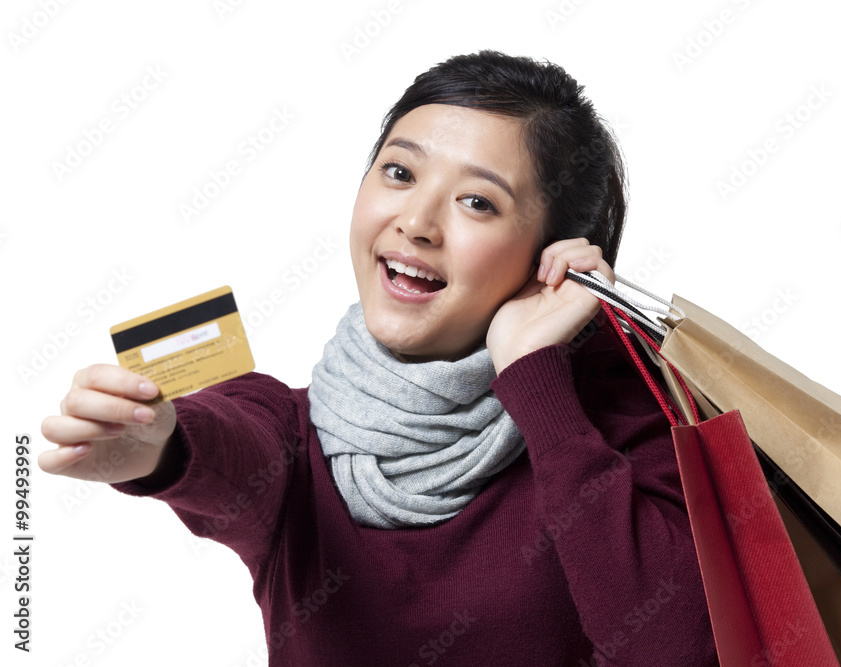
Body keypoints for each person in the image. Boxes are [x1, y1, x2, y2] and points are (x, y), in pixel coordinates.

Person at [40, 50, 718, 666]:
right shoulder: (296, 432)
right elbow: (231, 440)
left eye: (477, 202)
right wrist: (162, 447)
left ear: (552, 257)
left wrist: (535, 377)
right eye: (399, 172)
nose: (417, 222)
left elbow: (681, 647)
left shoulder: (631, 418)